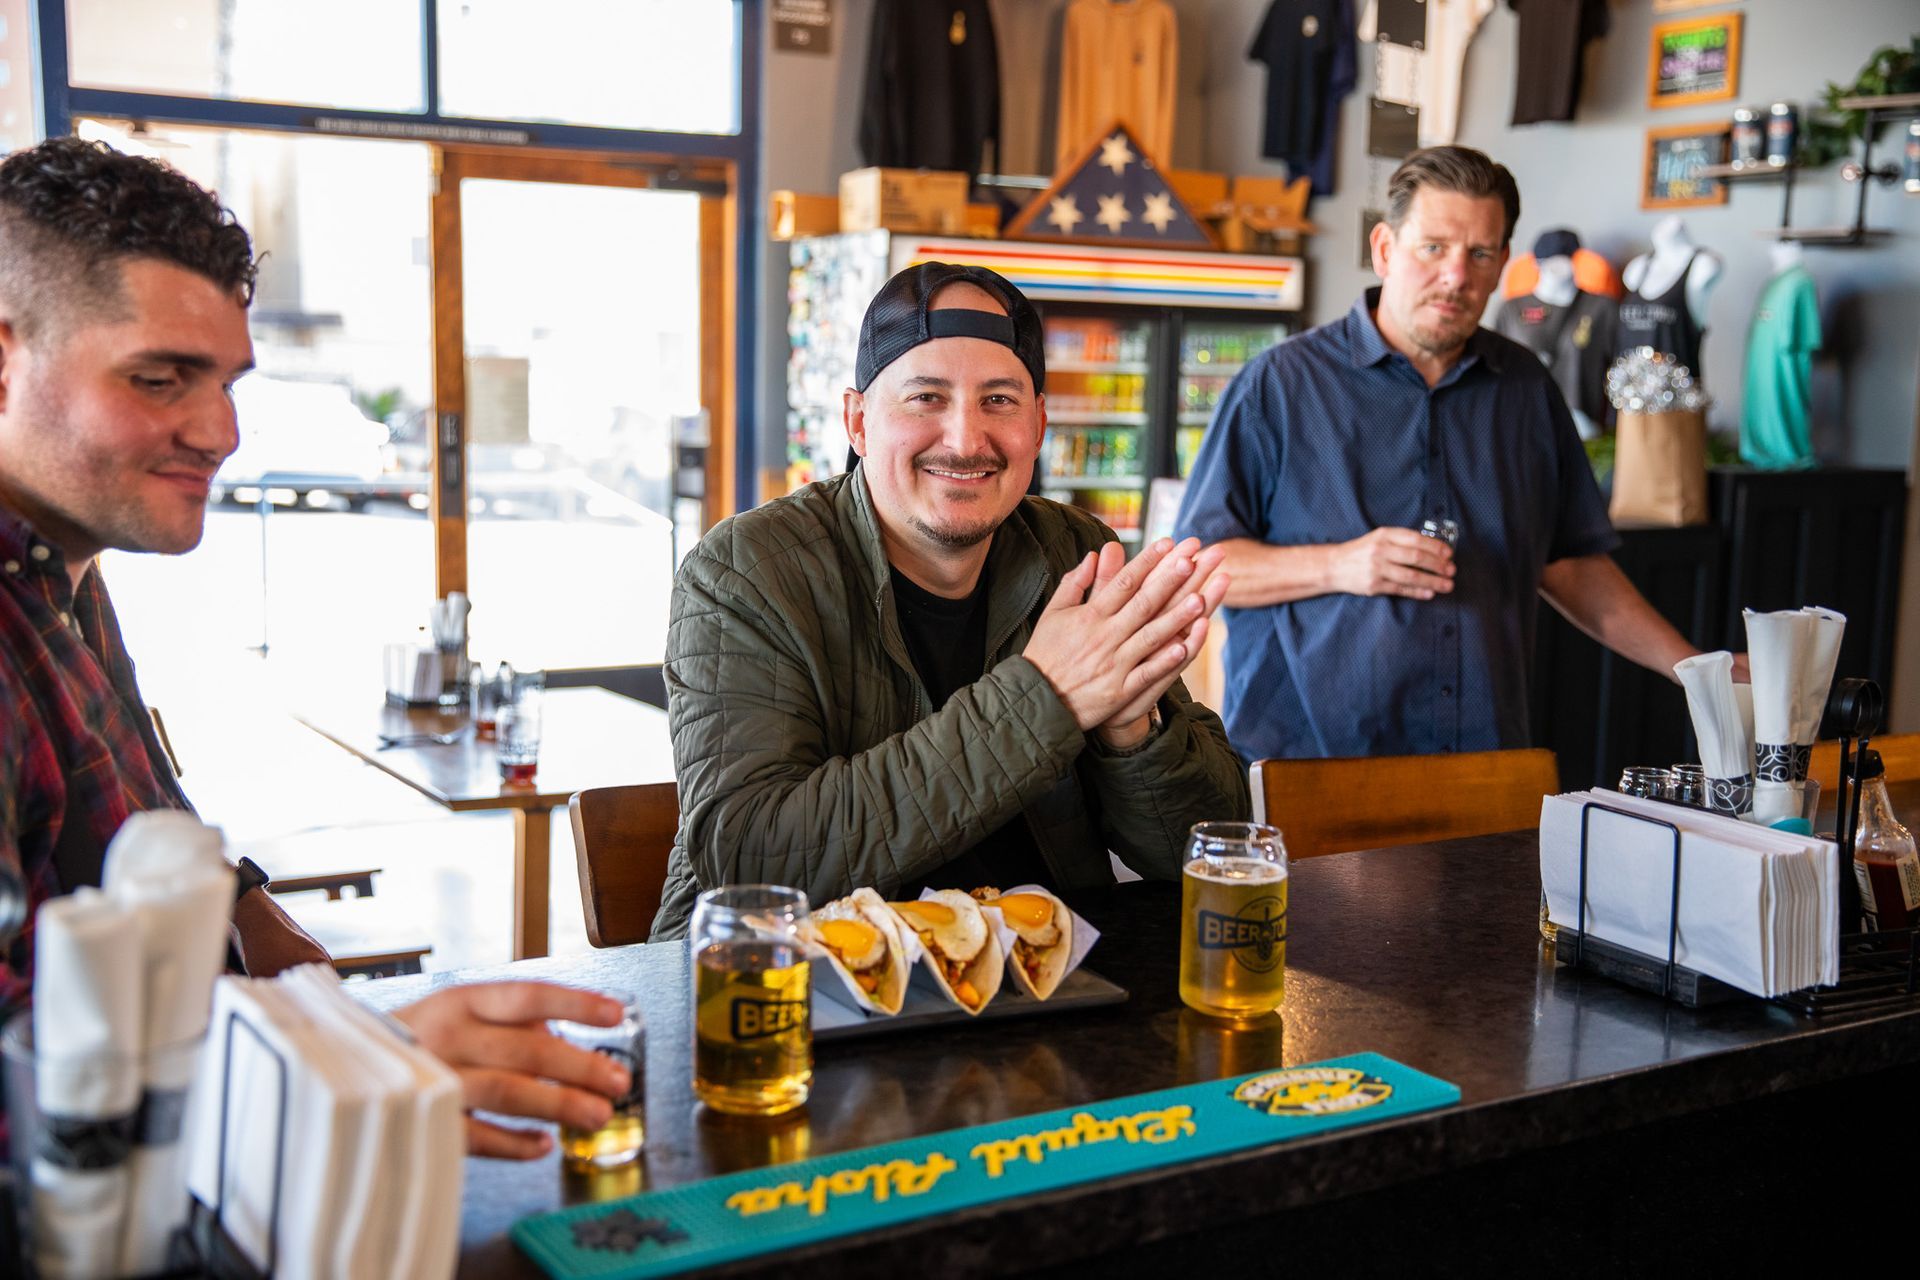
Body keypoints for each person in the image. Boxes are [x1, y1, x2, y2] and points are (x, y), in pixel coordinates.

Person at [0, 137, 622, 1158]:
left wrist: (244, 901)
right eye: (160, 378)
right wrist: (342, 1059)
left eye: (228, 382)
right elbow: (21, 1096)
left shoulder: (61, 563)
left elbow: (135, 812)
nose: (222, 431)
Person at [653, 261, 1247, 937]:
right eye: (926, 398)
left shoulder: (1076, 552)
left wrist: (1132, 732)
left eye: (999, 400)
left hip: (1046, 991)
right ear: (858, 422)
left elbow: (1203, 851)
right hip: (791, 1000)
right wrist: (1047, 694)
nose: (966, 440)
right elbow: (752, 860)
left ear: (1040, 424)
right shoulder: (745, 572)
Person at [1174, 145, 1712, 763]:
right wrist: (1341, 566)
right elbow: (1204, 566)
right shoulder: (1279, 385)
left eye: (1479, 254)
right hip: (1307, 765)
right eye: (1433, 248)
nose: (1456, 276)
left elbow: (1570, 563)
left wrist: (1695, 668)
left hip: (1481, 764)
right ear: (1385, 249)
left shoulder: (1527, 389)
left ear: (1502, 263)